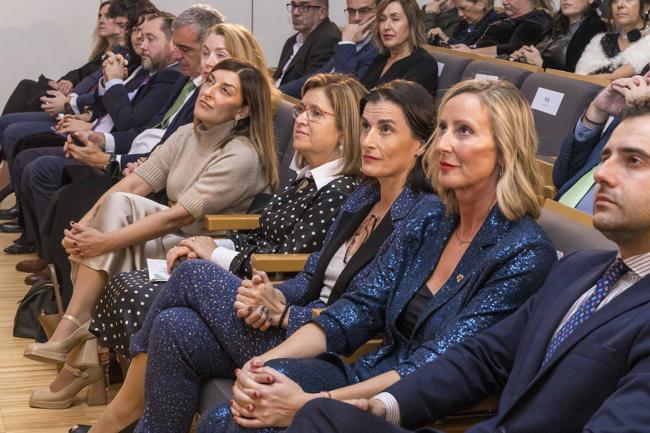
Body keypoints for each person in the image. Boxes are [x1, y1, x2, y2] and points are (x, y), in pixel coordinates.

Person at [137, 79, 556, 433]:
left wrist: (310, 402)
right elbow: (356, 310)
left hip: (405, 404)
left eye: (464, 131)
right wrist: (261, 360)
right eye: (443, 128)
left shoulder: (522, 251)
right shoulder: (434, 223)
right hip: (363, 369)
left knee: (228, 421)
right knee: (180, 333)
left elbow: (437, 369)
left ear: (504, 147)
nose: (443, 144)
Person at [288, 98, 650, 433]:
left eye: (633, 160)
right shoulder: (579, 268)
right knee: (321, 417)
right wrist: (380, 407)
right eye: (605, 157)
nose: (601, 174)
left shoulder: (527, 250)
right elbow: (481, 359)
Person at [23, 59, 278, 410]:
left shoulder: (242, 156)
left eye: (225, 90)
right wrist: (82, 227)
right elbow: (136, 181)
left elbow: (177, 217)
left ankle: (75, 338)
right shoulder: (189, 133)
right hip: (166, 241)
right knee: (115, 205)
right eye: (210, 82)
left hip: (196, 255)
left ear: (244, 109)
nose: (208, 92)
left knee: (112, 234)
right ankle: (79, 347)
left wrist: (102, 241)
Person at [89, 73, 365, 360]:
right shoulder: (304, 178)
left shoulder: (339, 190)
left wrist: (214, 255)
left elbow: (289, 263)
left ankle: (86, 357)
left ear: (346, 131)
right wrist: (206, 245)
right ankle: (87, 356)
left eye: (316, 113)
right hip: (240, 272)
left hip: (259, 294)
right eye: (301, 109)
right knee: (135, 280)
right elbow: (260, 234)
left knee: (142, 291)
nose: (301, 119)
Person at [6, 5, 223, 294]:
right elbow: (150, 129)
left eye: (212, 54)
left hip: (164, 182)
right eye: (137, 34)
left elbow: (132, 122)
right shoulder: (185, 80)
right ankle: (57, 276)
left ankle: (65, 286)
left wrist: (112, 157)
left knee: (57, 182)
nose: (176, 53)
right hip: (138, 158)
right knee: (39, 162)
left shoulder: (184, 82)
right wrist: (100, 139)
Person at [0, 11, 181, 250]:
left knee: (34, 160)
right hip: (103, 136)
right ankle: (40, 247)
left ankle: (50, 255)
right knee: (25, 147)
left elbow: (128, 121)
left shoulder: (168, 76)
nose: (140, 41)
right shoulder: (144, 67)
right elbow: (98, 93)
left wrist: (92, 118)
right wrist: (87, 120)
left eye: (149, 37)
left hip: (122, 153)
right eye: (137, 33)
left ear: (173, 44)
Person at [1, 1, 126, 115]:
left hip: (80, 103)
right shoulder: (103, 51)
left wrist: (71, 94)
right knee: (29, 88)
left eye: (108, 16)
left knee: (27, 88)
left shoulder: (119, 55)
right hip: (73, 94)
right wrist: (68, 81)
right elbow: (80, 73)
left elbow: (94, 85)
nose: (101, 21)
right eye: (99, 16)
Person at [553, 73, 650, 213]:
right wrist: (597, 111)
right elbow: (561, 177)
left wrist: (641, 113)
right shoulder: (626, 112)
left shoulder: (638, 113)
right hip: (560, 216)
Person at [279, 0, 380, 98]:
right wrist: (276, 93)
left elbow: (344, 89)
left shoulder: (377, 50)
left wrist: (348, 42)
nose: (356, 18)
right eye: (351, 12)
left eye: (364, 11)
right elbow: (316, 78)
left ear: (379, 11)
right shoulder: (352, 42)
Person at [361, 0, 438, 93]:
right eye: (382, 19)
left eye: (395, 19)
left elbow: (396, 105)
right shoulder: (382, 57)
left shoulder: (424, 65)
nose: (386, 26)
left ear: (412, 23)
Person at [509, 0, 606, 71]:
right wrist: (524, 55)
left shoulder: (595, 27)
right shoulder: (556, 23)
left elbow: (578, 73)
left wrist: (542, 64)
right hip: (533, 76)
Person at [575, 0, 650, 80]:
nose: (619, 5)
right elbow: (577, 80)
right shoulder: (600, 42)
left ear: (646, 6)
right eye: (615, 1)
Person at [274, 0, 342, 87]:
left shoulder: (329, 40)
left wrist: (274, 94)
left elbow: (309, 86)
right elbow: (278, 78)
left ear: (322, 12)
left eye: (304, 7)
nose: (295, 12)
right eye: (294, 5)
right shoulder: (291, 41)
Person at [451, 0, 554, 57]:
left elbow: (515, 48)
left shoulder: (536, 20)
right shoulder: (502, 16)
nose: (504, 2)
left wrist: (471, 52)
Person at [427, 0, 505, 47]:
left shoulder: (496, 24)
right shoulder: (463, 24)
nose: (460, 14)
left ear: (480, 3)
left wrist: (446, 39)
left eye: (463, 8)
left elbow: (473, 49)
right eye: (457, 9)